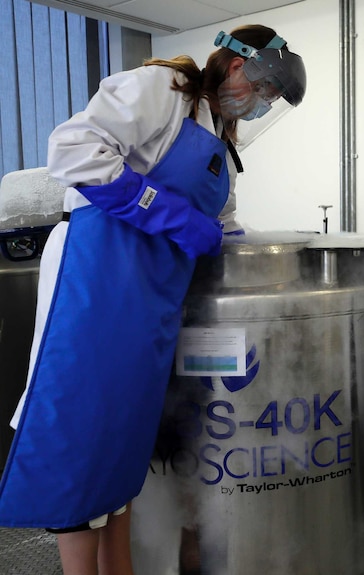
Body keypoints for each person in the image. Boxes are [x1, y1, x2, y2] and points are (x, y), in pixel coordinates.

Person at [0, 24, 306, 574]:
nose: (259, 104)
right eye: (262, 91)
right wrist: (164, 210)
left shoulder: (219, 138)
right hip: (99, 269)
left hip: (154, 289)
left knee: (126, 424)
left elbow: (225, 224)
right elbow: (72, 150)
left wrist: (273, 273)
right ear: (239, 66)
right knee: (81, 417)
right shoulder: (164, 90)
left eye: (268, 101)